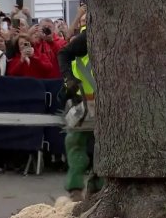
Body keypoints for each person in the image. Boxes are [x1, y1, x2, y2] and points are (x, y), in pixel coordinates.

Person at [58, 29, 103, 202]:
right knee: (76, 143)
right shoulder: (87, 37)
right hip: (81, 101)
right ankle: (75, 188)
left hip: (104, 103)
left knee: (103, 146)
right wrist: (68, 79)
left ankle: (98, 187)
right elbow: (63, 54)